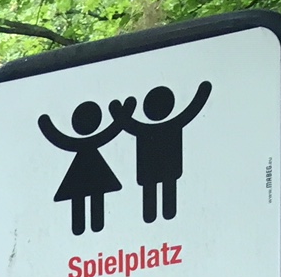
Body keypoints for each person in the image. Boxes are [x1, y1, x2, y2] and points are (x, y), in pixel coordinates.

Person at [39, 98, 133, 236]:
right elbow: (113, 129)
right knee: (88, 196)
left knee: (90, 196)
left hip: (85, 170)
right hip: (91, 168)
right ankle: (88, 226)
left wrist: (45, 124)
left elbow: (59, 138)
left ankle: (92, 226)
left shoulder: (78, 143)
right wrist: (124, 112)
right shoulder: (95, 140)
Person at [122, 81, 212, 222]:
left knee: (157, 188)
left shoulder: (146, 130)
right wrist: (203, 92)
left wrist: (120, 111)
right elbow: (191, 111)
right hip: (158, 167)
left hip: (158, 167)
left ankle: (157, 215)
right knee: (159, 187)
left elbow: (128, 124)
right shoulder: (172, 125)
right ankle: (158, 214)